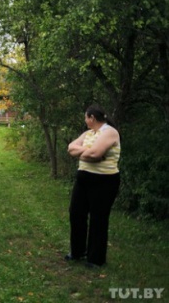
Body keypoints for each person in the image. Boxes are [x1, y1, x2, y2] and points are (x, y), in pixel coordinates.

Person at [65, 104, 121, 268]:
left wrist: (87, 153)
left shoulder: (110, 132)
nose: (85, 120)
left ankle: (95, 259)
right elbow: (70, 148)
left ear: (92, 118)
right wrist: (89, 152)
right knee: (76, 214)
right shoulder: (88, 133)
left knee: (98, 218)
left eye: (86, 117)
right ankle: (78, 252)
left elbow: (96, 154)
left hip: (104, 181)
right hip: (83, 179)